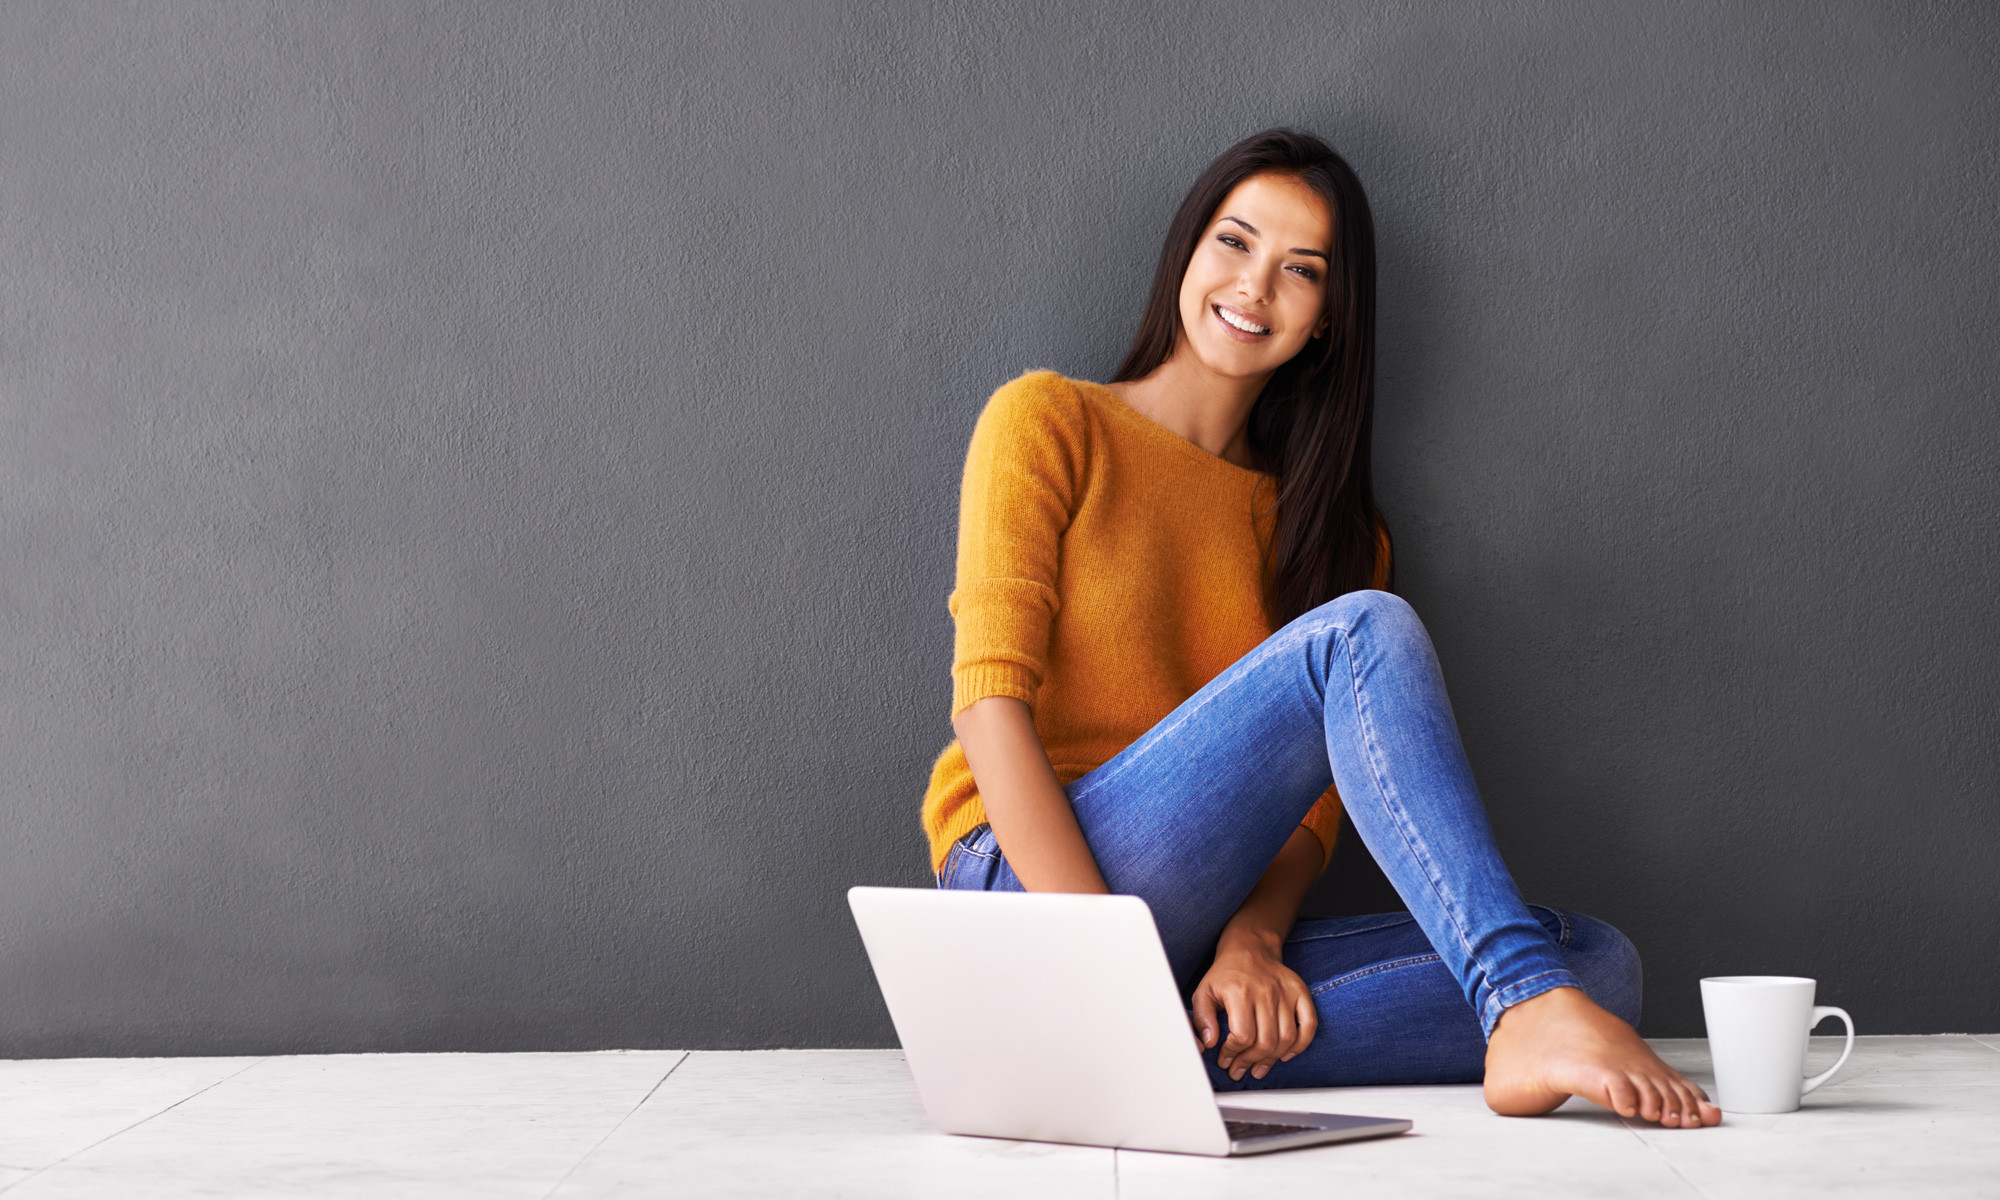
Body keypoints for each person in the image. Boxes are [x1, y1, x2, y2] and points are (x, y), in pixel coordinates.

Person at [920, 128, 1719, 1128]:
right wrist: (1102, 969)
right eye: (1233, 242)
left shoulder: (1333, 536)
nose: (1253, 286)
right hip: (1027, 893)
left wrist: (1251, 945)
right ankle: (1122, 1027)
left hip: (1193, 923)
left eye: (1299, 271)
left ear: (1326, 322)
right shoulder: (1047, 421)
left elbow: (1307, 820)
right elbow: (987, 711)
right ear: (1186, 251)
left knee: (1600, 967)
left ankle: (1123, 1057)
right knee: (1359, 639)